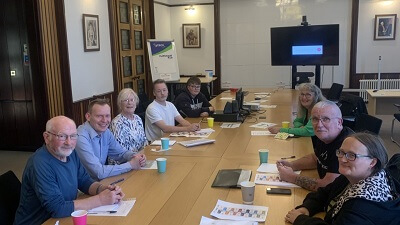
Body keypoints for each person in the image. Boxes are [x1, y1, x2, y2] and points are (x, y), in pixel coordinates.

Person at [14, 116, 125, 225]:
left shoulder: (70, 154)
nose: (69, 142)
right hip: (41, 221)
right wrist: (100, 200)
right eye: (62, 136)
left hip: (64, 218)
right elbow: (57, 208)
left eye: (73, 136)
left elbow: (84, 181)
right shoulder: (39, 163)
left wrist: (102, 189)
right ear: (47, 137)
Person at [285, 133, 400, 225]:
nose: (343, 159)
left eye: (351, 155)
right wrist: (307, 208)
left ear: (372, 162)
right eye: (341, 152)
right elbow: (324, 193)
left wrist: (301, 220)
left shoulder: (363, 205)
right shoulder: (353, 176)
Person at [277, 100, 354, 191]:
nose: (319, 125)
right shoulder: (326, 136)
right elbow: (316, 158)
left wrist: (291, 177)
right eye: (315, 119)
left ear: (339, 122)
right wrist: (292, 165)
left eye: (326, 119)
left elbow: (327, 186)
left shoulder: (346, 146)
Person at [76, 99, 146, 180]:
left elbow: (120, 153)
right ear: (88, 116)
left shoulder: (106, 132)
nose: (104, 120)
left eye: (107, 116)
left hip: (101, 182)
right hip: (83, 189)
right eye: (99, 116)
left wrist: (136, 157)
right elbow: (98, 172)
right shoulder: (80, 137)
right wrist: (131, 165)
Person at [110, 88, 147, 161]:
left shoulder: (138, 119)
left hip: (139, 159)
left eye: (132, 100)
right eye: (126, 100)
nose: (129, 103)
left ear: (136, 103)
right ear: (120, 104)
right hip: (123, 163)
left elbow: (144, 142)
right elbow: (119, 151)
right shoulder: (117, 123)